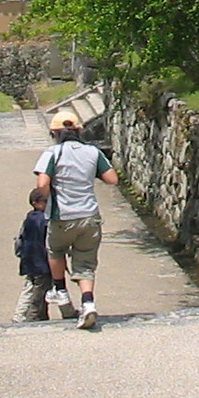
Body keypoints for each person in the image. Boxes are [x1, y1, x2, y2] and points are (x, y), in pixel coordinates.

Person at [35, 108, 119, 329]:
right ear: (79, 131)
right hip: (89, 216)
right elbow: (112, 179)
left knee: (55, 249)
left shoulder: (52, 153)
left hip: (62, 215)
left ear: (55, 133)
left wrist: (41, 200)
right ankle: (88, 302)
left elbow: (43, 183)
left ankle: (60, 290)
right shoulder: (92, 152)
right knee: (85, 262)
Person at [11, 188, 52, 323]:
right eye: (45, 201)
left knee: (30, 287)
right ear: (36, 203)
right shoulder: (43, 220)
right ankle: (34, 315)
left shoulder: (30, 217)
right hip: (41, 261)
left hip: (29, 260)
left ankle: (20, 315)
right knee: (41, 290)